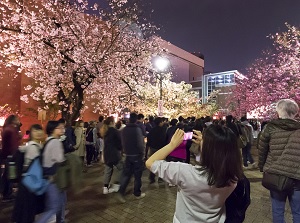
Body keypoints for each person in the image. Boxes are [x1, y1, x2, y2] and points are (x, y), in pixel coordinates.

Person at [146, 125, 243, 223]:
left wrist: (172, 145)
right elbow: (214, 161)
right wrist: (206, 144)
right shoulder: (233, 178)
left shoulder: (184, 173)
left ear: (207, 149)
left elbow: (150, 163)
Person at [258, 99, 300, 223]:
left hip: (275, 175)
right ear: (296, 113)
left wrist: (262, 167)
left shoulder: (270, 128)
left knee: (277, 211)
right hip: (297, 176)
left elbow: (262, 151)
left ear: (278, 112)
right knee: (297, 212)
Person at [12, 124, 45, 223]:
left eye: (40, 130)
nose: (38, 133)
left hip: (26, 182)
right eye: (35, 131)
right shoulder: (33, 148)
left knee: (25, 210)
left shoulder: (32, 146)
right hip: (30, 183)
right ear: (31, 133)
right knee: (28, 211)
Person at [36, 120, 66, 223]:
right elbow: (60, 159)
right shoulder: (56, 142)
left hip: (47, 177)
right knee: (54, 207)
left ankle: (60, 220)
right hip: (54, 178)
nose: (63, 129)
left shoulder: (48, 140)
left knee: (58, 202)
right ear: (53, 130)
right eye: (60, 128)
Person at [118, 113, 145, 203]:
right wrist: (142, 153)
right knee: (137, 176)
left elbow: (122, 142)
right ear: (136, 119)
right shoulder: (137, 129)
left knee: (127, 174)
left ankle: (121, 192)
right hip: (136, 155)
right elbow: (140, 143)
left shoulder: (124, 129)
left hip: (127, 154)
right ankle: (137, 193)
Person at [0, 114, 22, 202]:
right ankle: (7, 193)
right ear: (13, 120)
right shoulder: (11, 129)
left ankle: (6, 192)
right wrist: (14, 154)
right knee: (9, 174)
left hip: (7, 155)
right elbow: (13, 144)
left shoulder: (6, 129)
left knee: (7, 174)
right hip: (11, 155)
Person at [100, 117, 123, 194]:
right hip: (114, 153)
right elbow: (119, 143)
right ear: (111, 123)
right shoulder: (115, 131)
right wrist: (121, 149)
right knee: (121, 168)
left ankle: (105, 187)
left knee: (108, 170)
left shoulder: (105, 131)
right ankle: (116, 184)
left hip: (107, 153)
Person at [147, 117, 167, 184]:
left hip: (153, 148)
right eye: (162, 122)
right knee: (161, 163)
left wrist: (149, 146)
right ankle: (160, 178)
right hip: (160, 149)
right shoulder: (162, 130)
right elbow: (164, 139)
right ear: (160, 122)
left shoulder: (152, 130)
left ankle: (151, 177)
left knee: (153, 163)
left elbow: (148, 139)